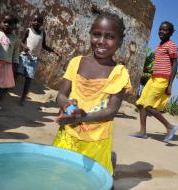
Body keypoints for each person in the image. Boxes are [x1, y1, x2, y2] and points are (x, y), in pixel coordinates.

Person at [53, 12, 131, 175]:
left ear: (120, 42)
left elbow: (111, 111)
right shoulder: (76, 62)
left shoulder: (119, 73)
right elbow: (60, 95)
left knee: (89, 179)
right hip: (68, 132)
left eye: (109, 36)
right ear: (90, 35)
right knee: (59, 174)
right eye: (97, 34)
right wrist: (66, 104)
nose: (101, 41)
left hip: (96, 139)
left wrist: (83, 117)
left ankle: (110, 161)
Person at [130, 21, 178, 142]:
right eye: (160, 29)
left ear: (170, 32)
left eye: (165, 30)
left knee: (149, 106)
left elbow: (174, 64)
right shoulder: (159, 45)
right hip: (153, 78)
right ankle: (142, 131)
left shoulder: (171, 45)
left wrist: (170, 83)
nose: (161, 31)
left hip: (163, 79)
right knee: (141, 103)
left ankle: (170, 127)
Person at [16, 14, 59, 106]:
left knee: (28, 80)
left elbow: (44, 46)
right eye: (34, 20)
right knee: (16, 75)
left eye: (38, 21)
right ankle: (5, 91)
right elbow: (21, 42)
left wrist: (53, 51)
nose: (36, 22)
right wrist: (24, 47)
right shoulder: (28, 31)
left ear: (42, 23)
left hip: (34, 60)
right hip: (24, 57)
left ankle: (22, 99)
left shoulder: (43, 33)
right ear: (31, 21)